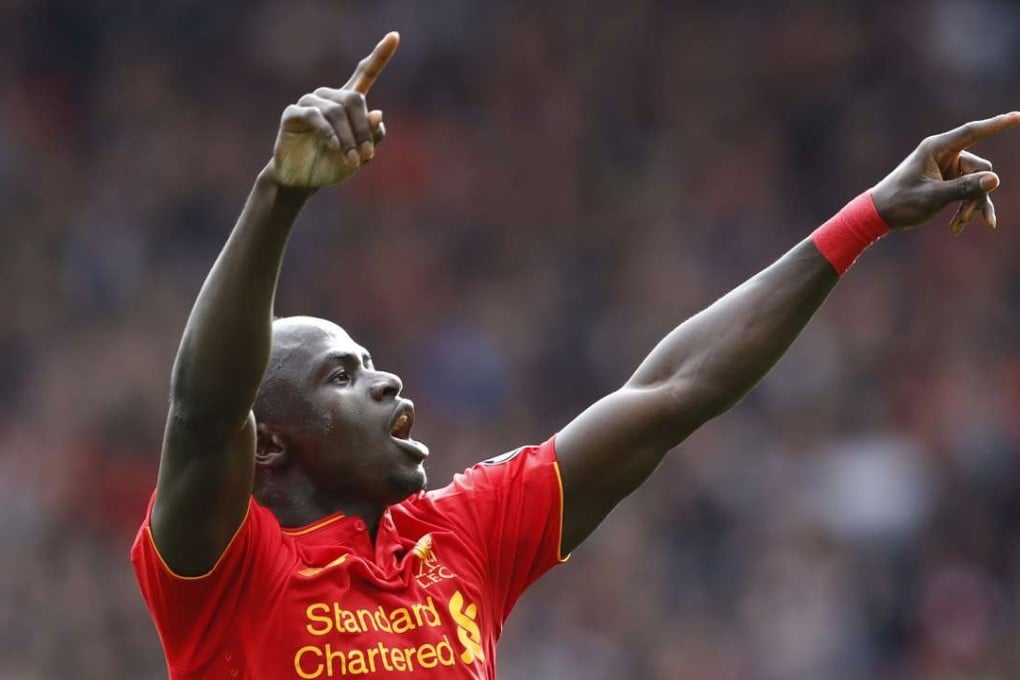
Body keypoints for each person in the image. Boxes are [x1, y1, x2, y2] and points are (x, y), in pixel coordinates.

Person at [130, 31, 1019, 679]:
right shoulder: (225, 566)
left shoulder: (460, 538)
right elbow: (203, 409)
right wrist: (279, 193)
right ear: (272, 444)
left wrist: (864, 216)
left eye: (369, 362)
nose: (387, 379)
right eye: (341, 375)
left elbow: (672, 390)